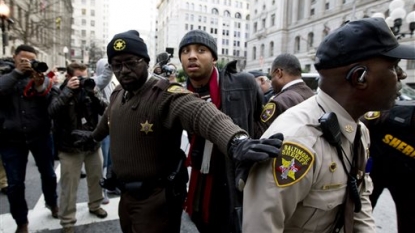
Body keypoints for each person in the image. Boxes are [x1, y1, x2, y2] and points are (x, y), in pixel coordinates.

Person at [71, 29, 281, 233]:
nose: (123, 70)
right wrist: (93, 137)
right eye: (116, 64)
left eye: (131, 62)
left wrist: (237, 141)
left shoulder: (165, 94)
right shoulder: (118, 93)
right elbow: (110, 117)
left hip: (156, 199)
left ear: (146, 62)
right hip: (126, 196)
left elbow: (202, 113)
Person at [243, 17, 415, 233]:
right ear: (359, 77)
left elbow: (359, 203)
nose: (402, 75)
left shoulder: (359, 130)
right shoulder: (297, 141)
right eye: (393, 66)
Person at [179, 29, 264, 233]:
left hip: (235, 175)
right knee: (203, 222)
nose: (192, 56)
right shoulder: (179, 94)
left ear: (214, 58)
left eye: (201, 50)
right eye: (186, 51)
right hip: (201, 175)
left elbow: (262, 123)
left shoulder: (244, 83)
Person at [0, 44, 58, 233]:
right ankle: (21, 222)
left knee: (49, 174)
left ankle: (52, 202)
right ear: (14, 58)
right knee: (15, 183)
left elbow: (52, 102)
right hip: (11, 138)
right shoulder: (5, 73)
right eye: (23, 59)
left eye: (30, 60)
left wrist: (41, 84)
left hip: (40, 135)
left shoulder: (39, 75)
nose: (27, 63)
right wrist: (17, 72)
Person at [48, 62, 108, 233]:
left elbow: (105, 109)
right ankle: (67, 221)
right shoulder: (58, 90)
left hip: (92, 143)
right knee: (69, 186)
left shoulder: (89, 90)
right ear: (68, 77)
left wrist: (94, 92)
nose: (82, 81)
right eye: (78, 77)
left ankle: (95, 205)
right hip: (69, 147)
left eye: (85, 77)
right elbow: (52, 111)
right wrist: (68, 91)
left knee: (97, 178)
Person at [361, 66, 414, 233]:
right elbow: (359, 125)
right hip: (375, 172)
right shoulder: (389, 115)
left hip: (407, 181)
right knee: (359, 216)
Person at [257, 53, 315, 132]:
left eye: (272, 77)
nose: (271, 82)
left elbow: (260, 135)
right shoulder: (311, 94)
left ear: (278, 73)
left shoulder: (279, 102)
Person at [93, 58, 117, 204]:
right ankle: (101, 192)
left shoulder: (112, 83)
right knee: (102, 161)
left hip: (113, 127)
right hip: (102, 127)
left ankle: (112, 185)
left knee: (111, 160)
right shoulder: (95, 83)